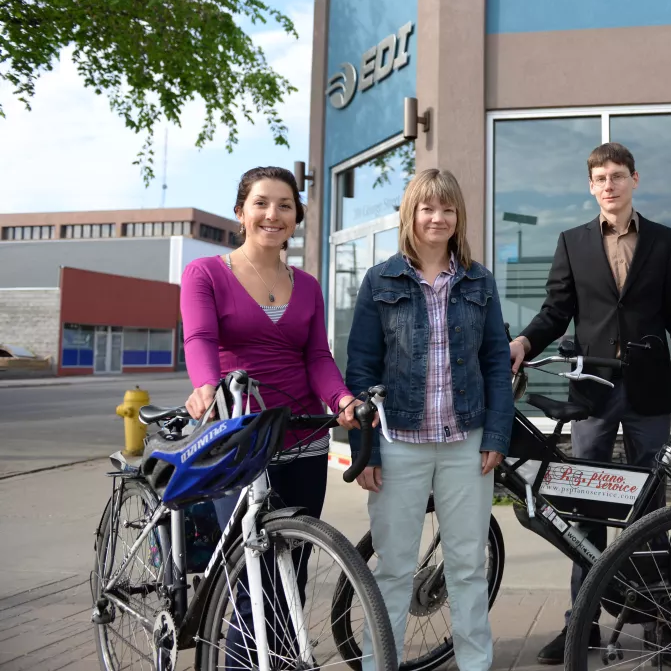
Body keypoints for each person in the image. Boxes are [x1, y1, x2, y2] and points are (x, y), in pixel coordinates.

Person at [509, 142, 671, 664]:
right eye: (600, 178)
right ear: (591, 186)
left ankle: (658, 622)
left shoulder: (666, 241)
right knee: (587, 507)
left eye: (618, 175)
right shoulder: (572, 242)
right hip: (591, 390)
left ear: (634, 180)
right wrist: (525, 343)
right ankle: (584, 622)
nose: (610, 185)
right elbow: (555, 311)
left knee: (649, 505)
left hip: (648, 391)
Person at [180, 165, 361, 665]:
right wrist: (204, 386)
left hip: (303, 436)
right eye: (261, 203)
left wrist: (342, 400)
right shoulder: (206, 274)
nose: (272, 214)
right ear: (241, 212)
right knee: (250, 579)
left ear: (296, 217)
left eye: (284, 205)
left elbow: (317, 358)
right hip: (238, 435)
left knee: (292, 570)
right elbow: (199, 339)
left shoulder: (307, 285)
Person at [344, 168, 515, 671]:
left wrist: (497, 434)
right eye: (427, 208)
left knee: (466, 566)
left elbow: (495, 364)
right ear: (410, 214)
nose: (437, 218)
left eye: (447, 209)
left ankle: (475, 665)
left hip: (467, 440)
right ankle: (382, 664)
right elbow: (361, 370)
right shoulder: (381, 280)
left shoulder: (479, 280)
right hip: (397, 441)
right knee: (394, 568)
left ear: (458, 216)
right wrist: (363, 451)